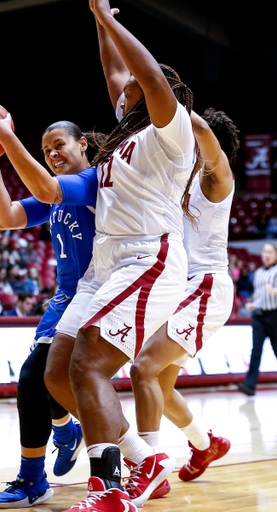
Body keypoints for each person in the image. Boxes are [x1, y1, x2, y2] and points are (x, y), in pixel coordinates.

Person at [0, 5, 195, 510]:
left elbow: (147, 76)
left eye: (131, 89)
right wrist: (98, 14)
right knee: (55, 372)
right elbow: (117, 72)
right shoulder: (120, 143)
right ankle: (142, 460)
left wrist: (112, 23)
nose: (122, 89)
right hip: (104, 271)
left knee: (88, 364)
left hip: (146, 256)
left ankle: (109, 486)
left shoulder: (169, 132)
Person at [0, 116, 101, 508]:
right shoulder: (54, 195)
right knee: (47, 376)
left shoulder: (95, 183)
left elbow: (47, 188)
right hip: (64, 299)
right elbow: (6, 217)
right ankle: (64, 433)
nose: (53, 154)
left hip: (97, 298)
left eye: (59, 145)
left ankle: (33, 478)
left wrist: (6, 139)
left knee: (33, 375)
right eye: (46, 150)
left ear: (83, 146)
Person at [128, 107, 240, 491]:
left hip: (205, 285)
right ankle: (205, 445)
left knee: (142, 369)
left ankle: (151, 469)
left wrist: (164, 102)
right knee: (157, 383)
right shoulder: (180, 180)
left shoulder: (217, 177)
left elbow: (202, 130)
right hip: (178, 287)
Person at [238, 243, 277, 396]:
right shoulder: (259, 273)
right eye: (264, 252)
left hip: (274, 316)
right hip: (259, 317)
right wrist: (253, 304)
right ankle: (249, 385)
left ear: (275, 255)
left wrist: (273, 290)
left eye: (269, 252)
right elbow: (258, 294)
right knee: (256, 351)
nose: (266, 255)